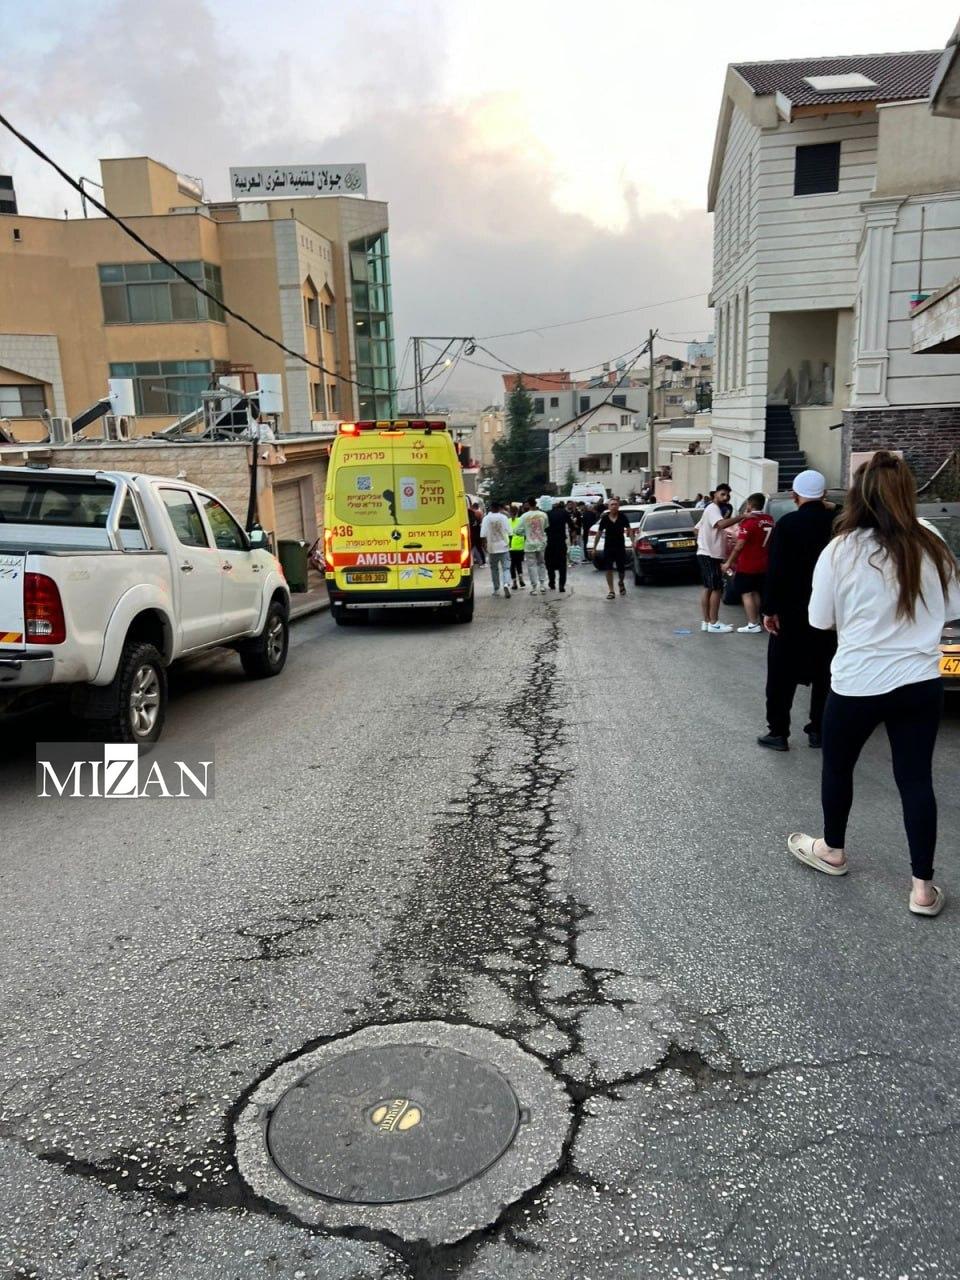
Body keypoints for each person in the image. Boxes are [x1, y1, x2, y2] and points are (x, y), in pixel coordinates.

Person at [787, 451, 960, 917]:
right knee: (916, 780)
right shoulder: (932, 543)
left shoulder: (840, 550)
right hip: (920, 681)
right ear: (908, 493)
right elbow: (953, 609)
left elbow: (819, 619)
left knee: (838, 768)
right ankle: (922, 889)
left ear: (858, 496)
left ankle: (833, 851)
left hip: (857, 682)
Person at [758, 470, 836, 750]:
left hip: (790, 612)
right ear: (824, 494)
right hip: (829, 612)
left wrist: (769, 609)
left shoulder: (788, 524)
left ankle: (778, 732)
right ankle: (819, 729)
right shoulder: (837, 524)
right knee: (825, 673)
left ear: (794, 495)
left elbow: (776, 569)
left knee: (781, 675)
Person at [721, 492, 773, 634]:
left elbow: (739, 545)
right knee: (756, 591)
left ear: (749, 505)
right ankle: (757, 620)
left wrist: (728, 562)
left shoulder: (749, 522)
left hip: (748, 563)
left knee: (746, 592)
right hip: (764, 562)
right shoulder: (769, 519)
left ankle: (752, 623)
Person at [696, 483, 739, 633]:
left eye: (727, 495)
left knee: (709, 587)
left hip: (707, 553)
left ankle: (706, 621)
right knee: (717, 588)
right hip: (709, 554)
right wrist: (742, 517)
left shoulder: (712, 510)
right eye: (722, 494)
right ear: (715, 494)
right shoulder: (713, 509)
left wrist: (706, 538)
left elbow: (696, 528)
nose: (726, 497)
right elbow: (720, 525)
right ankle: (714, 623)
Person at [596, 497, 633, 600]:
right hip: (608, 547)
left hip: (620, 546)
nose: (614, 506)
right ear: (608, 507)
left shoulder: (622, 517)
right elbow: (599, 533)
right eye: (612, 504)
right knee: (608, 568)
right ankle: (611, 591)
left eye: (616, 504)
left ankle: (621, 582)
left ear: (618, 506)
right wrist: (594, 547)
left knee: (621, 569)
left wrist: (633, 542)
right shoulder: (605, 518)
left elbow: (629, 530)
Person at [480, 501, 513, 598]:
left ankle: (496, 589)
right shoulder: (504, 518)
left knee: (494, 569)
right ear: (499, 508)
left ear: (491, 508)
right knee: (506, 568)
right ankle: (506, 584)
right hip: (504, 546)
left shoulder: (486, 518)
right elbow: (510, 532)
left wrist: (484, 545)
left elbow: (483, 534)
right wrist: (509, 543)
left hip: (492, 548)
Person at [518, 497, 549, 594]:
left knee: (531, 566)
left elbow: (517, 530)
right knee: (541, 564)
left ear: (528, 504)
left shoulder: (524, 516)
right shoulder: (543, 515)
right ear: (536, 503)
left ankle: (534, 587)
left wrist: (525, 533)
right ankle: (542, 585)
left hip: (529, 544)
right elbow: (546, 526)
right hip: (541, 543)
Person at [546, 498, 575, 592]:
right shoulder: (564, 513)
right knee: (562, 563)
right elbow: (572, 526)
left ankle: (552, 582)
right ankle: (561, 585)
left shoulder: (547, 514)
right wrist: (574, 536)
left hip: (550, 542)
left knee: (550, 563)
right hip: (561, 542)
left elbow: (544, 528)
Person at [509, 504, 526, 589]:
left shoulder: (508, 521)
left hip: (511, 545)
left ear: (510, 512)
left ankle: (514, 582)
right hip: (520, 545)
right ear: (517, 512)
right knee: (519, 563)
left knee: (512, 564)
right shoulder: (521, 520)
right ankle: (521, 578)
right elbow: (524, 532)